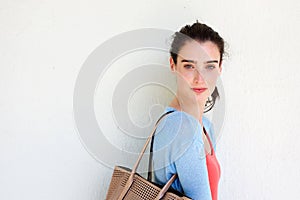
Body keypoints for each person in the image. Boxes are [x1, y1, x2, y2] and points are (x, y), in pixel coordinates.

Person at [152, 21, 225, 200]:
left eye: (209, 66)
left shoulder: (205, 126)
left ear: (220, 69)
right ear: (173, 64)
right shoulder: (181, 127)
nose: (199, 79)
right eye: (189, 66)